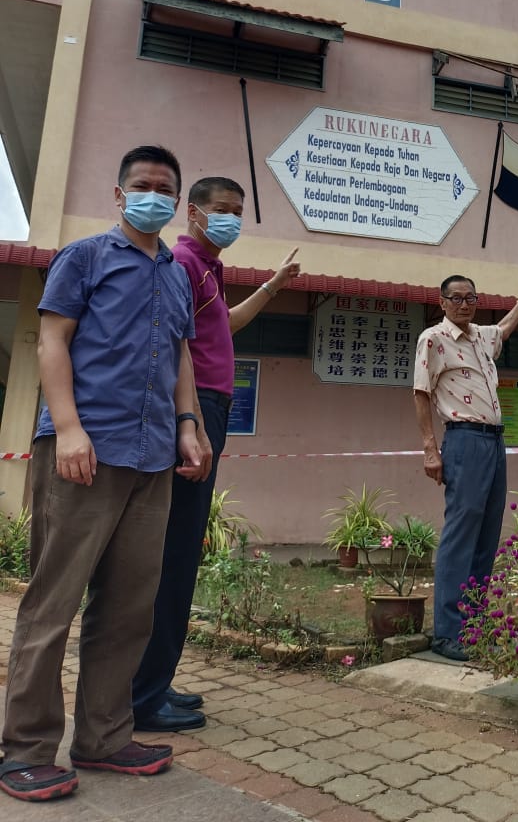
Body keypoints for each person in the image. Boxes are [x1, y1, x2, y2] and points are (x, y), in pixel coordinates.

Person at [0, 146, 207, 804]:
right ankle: (25, 750)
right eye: (141, 185)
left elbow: (178, 355)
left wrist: (189, 425)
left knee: (127, 609)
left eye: (164, 188)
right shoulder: (84, 257)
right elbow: (53, 340)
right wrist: (67, 428)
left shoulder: (176, 275)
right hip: (84, 450)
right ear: (119, 195)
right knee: (52, 602)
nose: (153, 195)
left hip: (152, 457)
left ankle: (104, 736)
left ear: (176, 201)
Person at [133, 177, 301, 731]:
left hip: (209, 406)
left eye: (238, 211)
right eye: (221, 210)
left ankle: (155, 682)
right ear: (193, 212)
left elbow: (222, 326)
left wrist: (275, 284)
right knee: (174, 552)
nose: (230, 219)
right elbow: (174, 343)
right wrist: (190, 421)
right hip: (195, 407)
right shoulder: (181, 261)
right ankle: (142, 695)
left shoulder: (208, 267)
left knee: (182, 550)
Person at [414, 271, 518, 662]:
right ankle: (447, 632)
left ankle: (474, 622)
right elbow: (420, 393)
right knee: (461, 532)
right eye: (457, 298)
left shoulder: (482, 336)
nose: (465, 304)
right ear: (442, 302)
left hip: (494, 440)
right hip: (463, 439)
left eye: (470, 297)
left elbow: (503, 329)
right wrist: (430, 450)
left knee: (487, 532)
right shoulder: (433, 339)